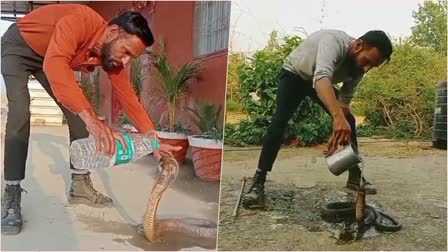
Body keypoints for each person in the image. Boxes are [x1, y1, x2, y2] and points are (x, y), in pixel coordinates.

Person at [1, 4, 179, 235]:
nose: (125, 62)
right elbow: (55, 64)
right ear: (113, 32)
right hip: (18, 46)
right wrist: (91, 119)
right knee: (20, 111)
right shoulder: (78, 20)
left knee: (78, 118)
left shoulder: (108, 52)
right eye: (125, 52)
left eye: (130, 58)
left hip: (50, 54)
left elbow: (128, 98)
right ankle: (12, 192)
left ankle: (79, 185)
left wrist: (153, 140)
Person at [242, 29, 393, 209]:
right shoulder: (333, 42)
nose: (366, 68)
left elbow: (343, 104)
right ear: (358, 45)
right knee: (279, 123)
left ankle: (354, 175)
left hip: (318, 81)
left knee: (349, 121)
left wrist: (338, 129)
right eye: (367, 61)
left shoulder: (358, 68)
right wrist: (337, 118)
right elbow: (321, 77)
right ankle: (259, 180)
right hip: (294, 75)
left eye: (373, 66)